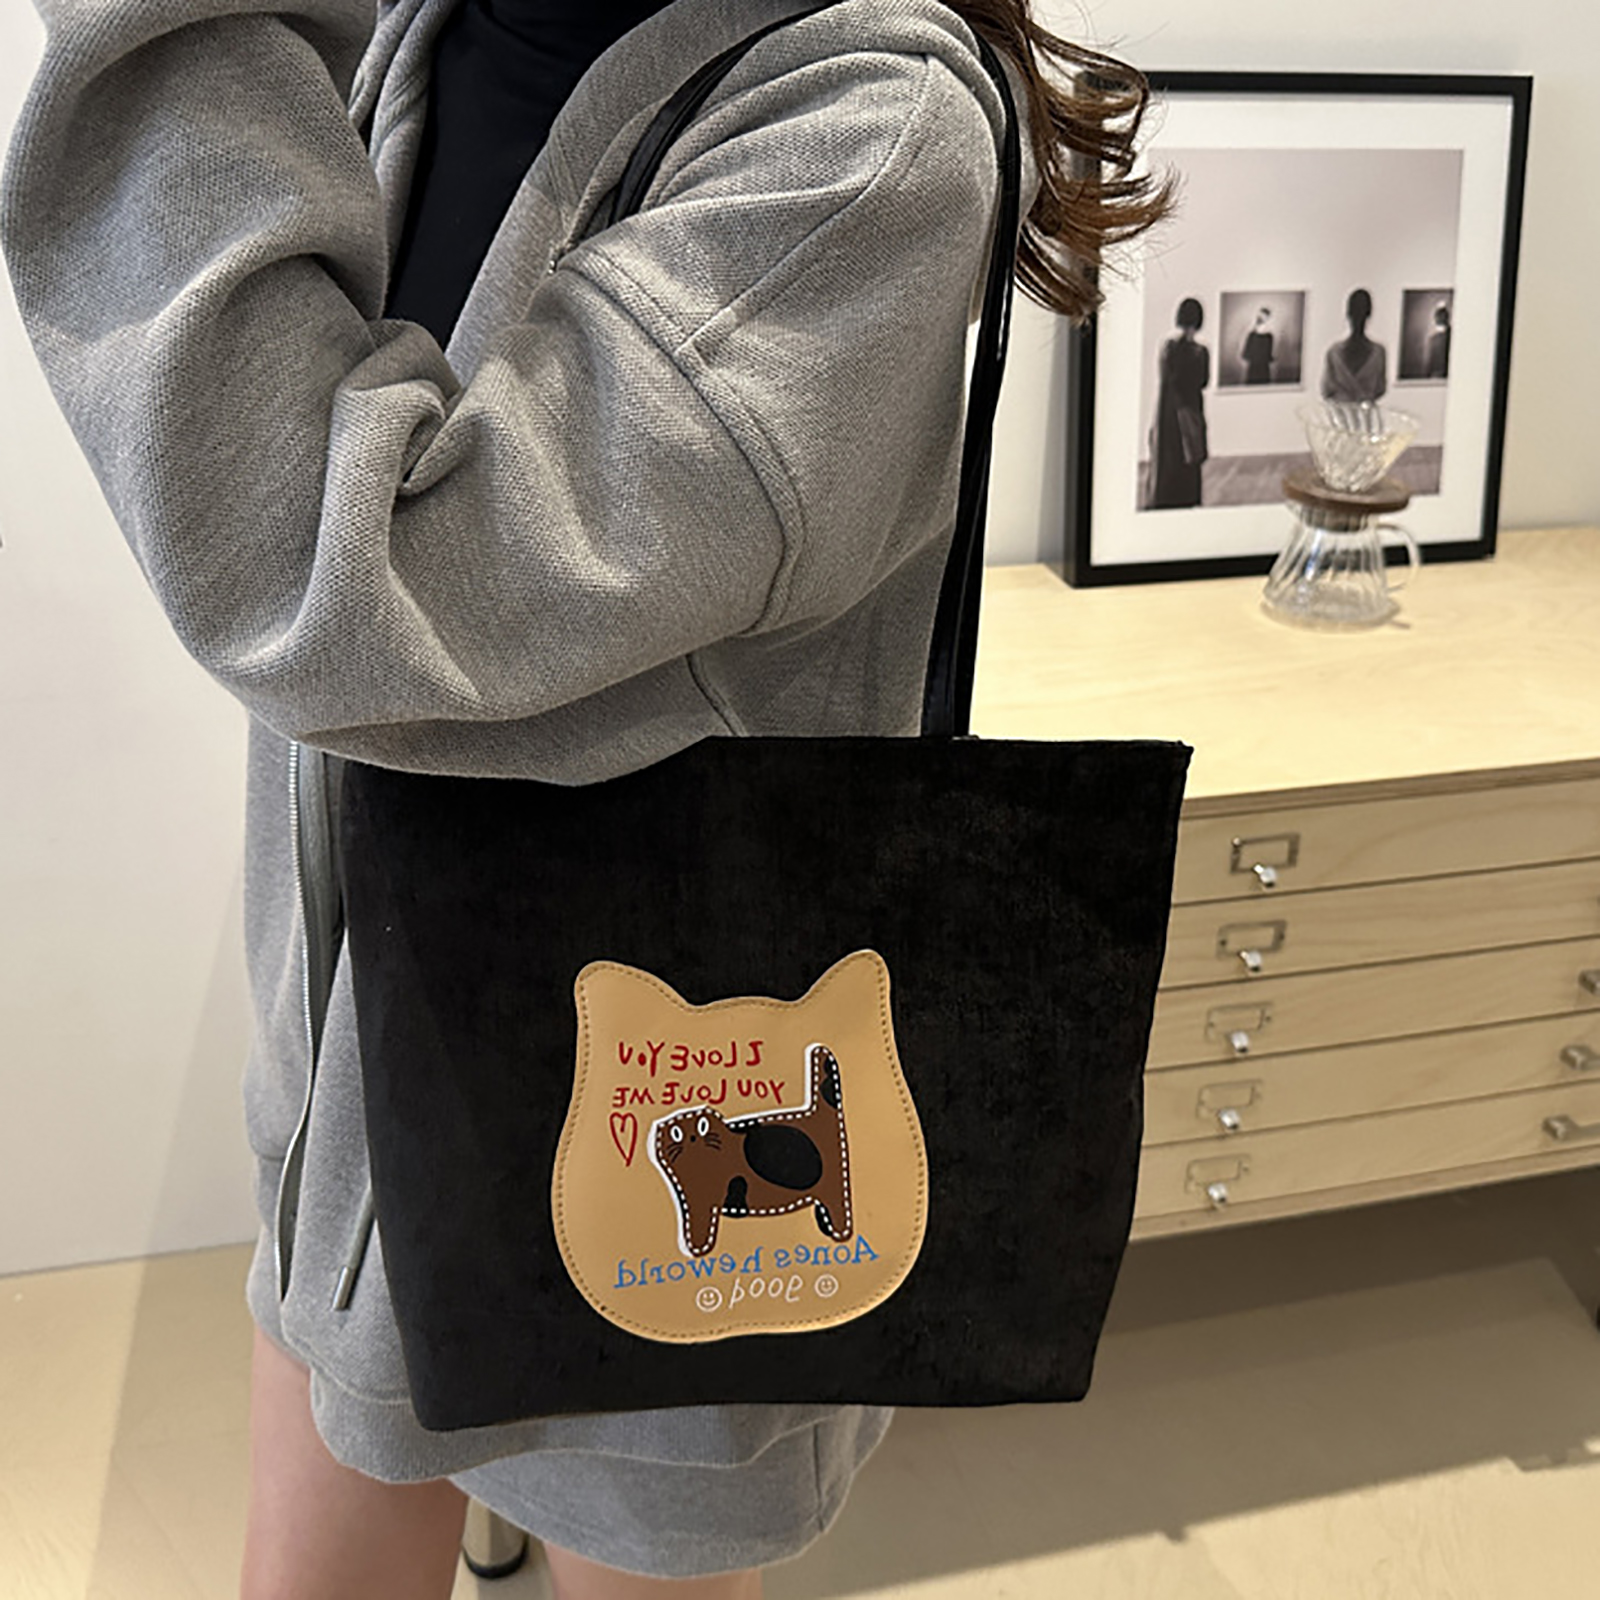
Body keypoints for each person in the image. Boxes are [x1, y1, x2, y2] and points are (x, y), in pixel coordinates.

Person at [0, 0, 1169, 1596]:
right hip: (361, 1111)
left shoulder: (865, 134)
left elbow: (336, 582)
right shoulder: (430, 27)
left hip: (671, 1176)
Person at [1150, 296, 1211, 508]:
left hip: (1169, 412)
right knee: (1189, 458)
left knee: (1170, 458)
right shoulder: (1200, 352)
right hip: (1190, 410)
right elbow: (1203, 381)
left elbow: (1166, 378)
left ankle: (1165, 499)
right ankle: (1189, 499)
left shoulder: (1168, 348)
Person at [1322, 287, 1388, 403]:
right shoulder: (1334, 353)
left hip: (1365, 412)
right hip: (1341, 412)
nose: (1358, 318)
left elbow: (1380, 389)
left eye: (1361, 312)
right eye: (1356, 312)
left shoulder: (1379, 353)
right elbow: (1327, 390)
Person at [1241, 305, 1274, 385]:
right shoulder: (1252, 334)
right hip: (1253, 365)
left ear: (1267, 318)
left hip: (1263, 366)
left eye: (1264, 316)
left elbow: (1268, 352)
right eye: (1260, 316)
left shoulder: (1269, 336)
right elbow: (1247, 351)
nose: (1261, 318)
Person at [1426, 300, 1452, 379]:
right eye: (1438, 315)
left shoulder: (1451, 336)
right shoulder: (1433, 339)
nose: (1440, 318)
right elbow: (1430, 362)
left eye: (1443, 315)